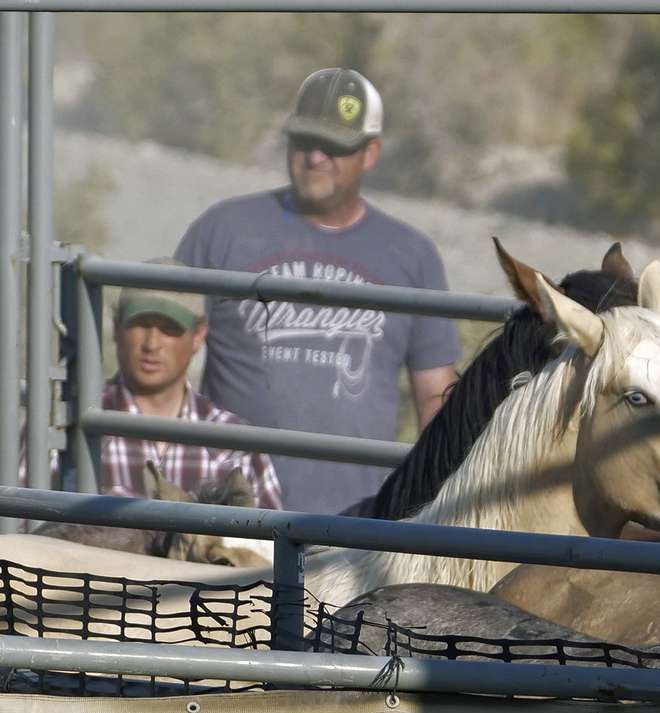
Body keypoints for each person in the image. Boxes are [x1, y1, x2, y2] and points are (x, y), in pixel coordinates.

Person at [174, 68, 461, 514]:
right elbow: (159, 355)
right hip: (229, 519)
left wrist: (440, 509)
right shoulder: (223, 231)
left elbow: (436, 397)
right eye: (304, 140)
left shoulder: (412, 255)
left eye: (334, 146)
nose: (315, 157)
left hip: (359, 527)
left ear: (371, 153)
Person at [20, 264, 283, 510]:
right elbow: (17, 531)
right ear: (116, 326)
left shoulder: (236, 443)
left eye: (169, 328)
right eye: (140, 324)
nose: (151, 344)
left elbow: (270, 551)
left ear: (199, 335)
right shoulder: (63, 427)